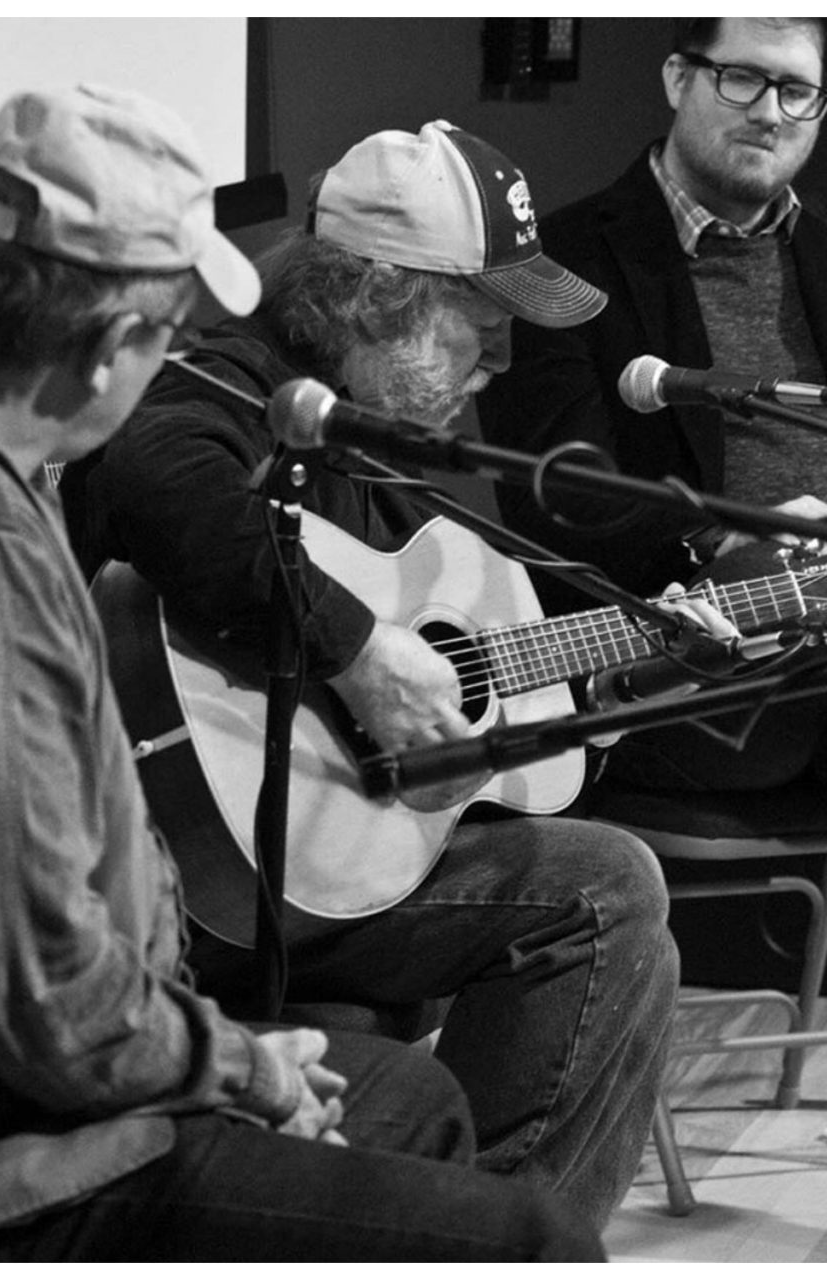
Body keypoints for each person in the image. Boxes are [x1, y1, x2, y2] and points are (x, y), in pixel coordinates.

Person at [0, 86, 604, 1262]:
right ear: (112, 346)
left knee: (410, 1099)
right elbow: (31, 985)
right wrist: (240, 1067)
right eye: (165, 337)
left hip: (24, 1066)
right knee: (525, 1239)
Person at [59, 120, 680, 1232]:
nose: (499, 366)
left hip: (325, 866)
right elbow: (160, 485)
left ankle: (490, 1235)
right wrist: (355, 648)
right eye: (478, 330)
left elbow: (481, 697)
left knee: (611, 896)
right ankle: (492, 1239)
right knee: (605, 889)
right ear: (374, 298)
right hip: (176, 878)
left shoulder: (385, 436)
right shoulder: (216, 386)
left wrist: (618, 690)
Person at [474, 17, 827, 796]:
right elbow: (556, 495)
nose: (769, 112)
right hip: (710, 653)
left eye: (796, 90)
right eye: (742, 78)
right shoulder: (567, 263)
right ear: (677, 78)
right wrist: (725, 534)